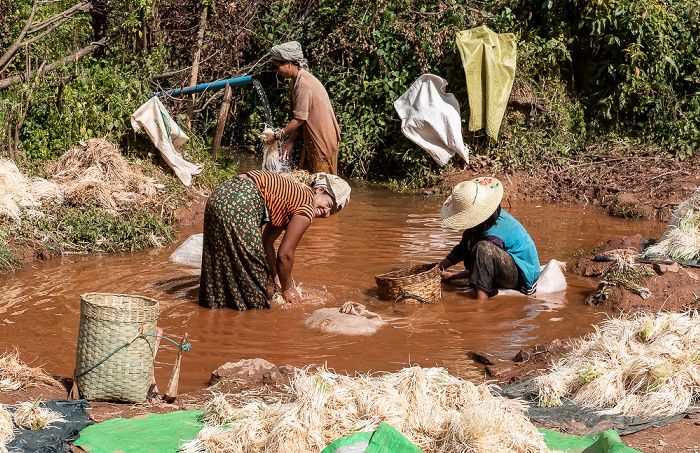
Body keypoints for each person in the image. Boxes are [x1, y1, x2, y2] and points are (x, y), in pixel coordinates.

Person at [198, 170, 351, 309]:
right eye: (329, 205)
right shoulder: (307, 207)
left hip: (219, 195)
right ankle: (249, 328)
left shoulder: (292, 197)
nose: (326, 212)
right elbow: (285, 254)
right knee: (256, 284)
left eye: (332, 212)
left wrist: (276, 277)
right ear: (320, 190)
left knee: (219, 265)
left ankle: (212, 314)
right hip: (241, 200)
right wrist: (288, 289)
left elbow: (267, 244)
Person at [439, 177, 540, 300]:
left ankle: (481, 305)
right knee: (469, 235)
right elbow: (461, 249)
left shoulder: (496, 231)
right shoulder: (483, 223)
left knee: (483, 249)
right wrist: (437, 268)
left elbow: (485, 264)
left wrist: (453, 276)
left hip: (522, 276)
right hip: (503, 264)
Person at [264, 41, 341, 175]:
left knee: (323, 184)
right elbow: (299, 117)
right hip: (309, 138)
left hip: (322, 139)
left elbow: (299, 119)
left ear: (289, 62)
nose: (278, 71)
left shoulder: (304, 84)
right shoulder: (294, 83)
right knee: (308, 179)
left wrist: (276, 136)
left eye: (279, 66)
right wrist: (290, 140)